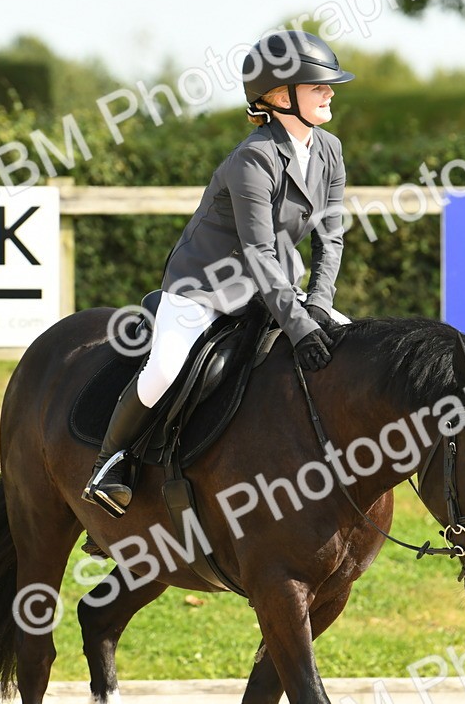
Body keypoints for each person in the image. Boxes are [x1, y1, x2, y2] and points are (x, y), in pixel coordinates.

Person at [83, 30, 355, 517]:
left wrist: (317, 304)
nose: (329, 92)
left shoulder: (329, 149)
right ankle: (110, 463)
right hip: (204, 285)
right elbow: (257, 250)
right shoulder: (254, 158)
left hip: (273, 285)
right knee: (166, 367)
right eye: (318, 85)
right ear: (280, 98)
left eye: (328, 85)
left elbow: (329, 237)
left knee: (352, 342)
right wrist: (298, 327)